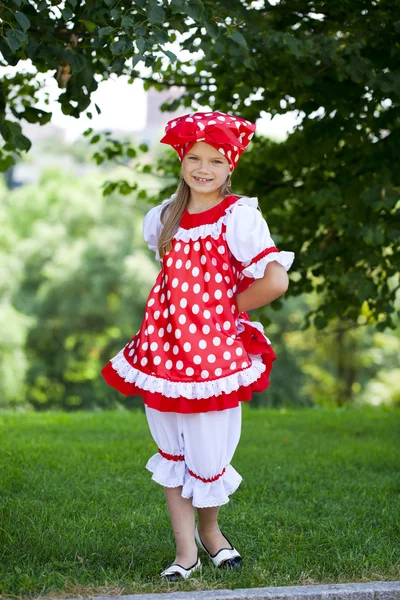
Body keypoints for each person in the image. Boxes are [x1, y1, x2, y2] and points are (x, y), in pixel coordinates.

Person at [101, 110, 295, 581]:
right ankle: (185, 550)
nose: (202, 168)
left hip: (212, 355)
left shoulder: (238, 217)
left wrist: (224, 310)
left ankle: (212, 533)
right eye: (194, 157)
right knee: (173, 451)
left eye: (214, 160)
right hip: (164, 350)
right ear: (181, 161)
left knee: (209, 455)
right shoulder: (165, 217)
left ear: (231, 168)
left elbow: (275, 281)